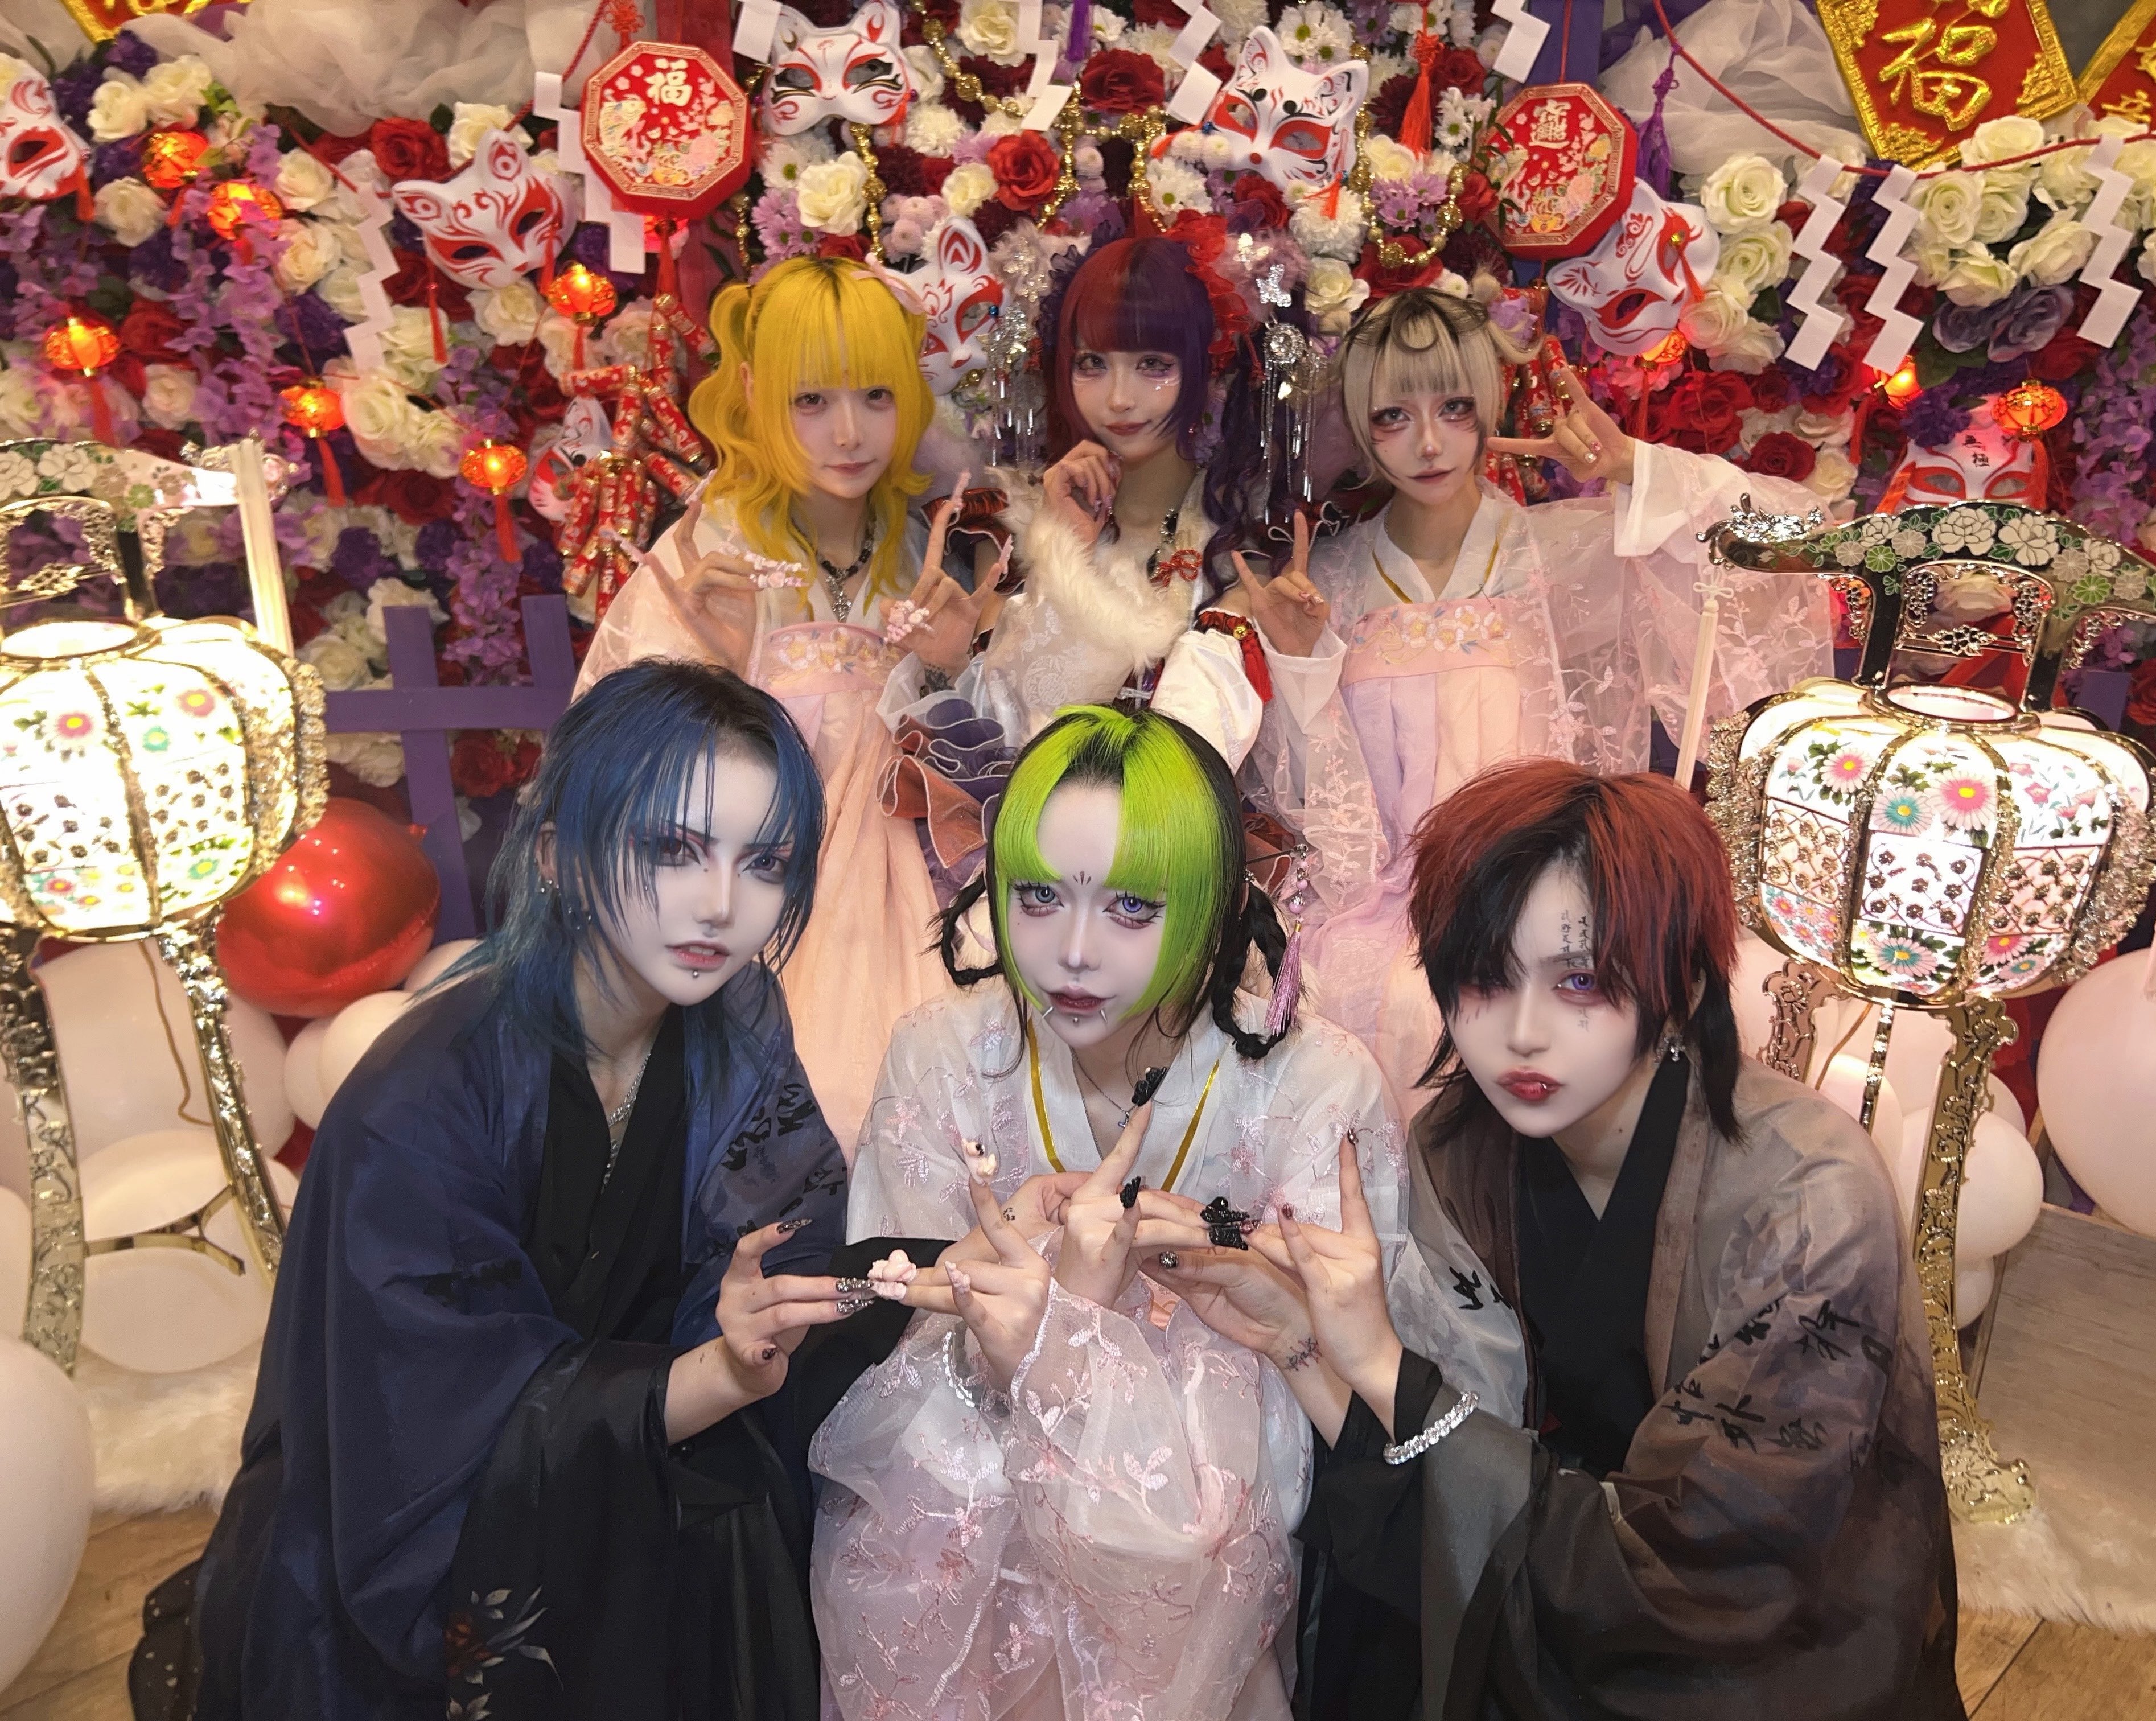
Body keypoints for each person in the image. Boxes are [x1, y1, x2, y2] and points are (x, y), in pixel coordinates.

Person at [150, 661, 882, 1721]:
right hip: (433, 1521)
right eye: (670, 848)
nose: (722, 905)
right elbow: (424, 1412)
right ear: (556, 855)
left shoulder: (739, 1016)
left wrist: (913, 1278)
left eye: (763, 861)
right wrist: (713, 1373)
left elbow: (792, 1224)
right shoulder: (422, 1096)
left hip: (648, 1458)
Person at [1158, 759, 1963, 1720]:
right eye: (1483, 978)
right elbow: (1439, 1448)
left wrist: (1378, 1364)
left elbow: (1714, 1567)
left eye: (1579, 980)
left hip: (1749, 1639)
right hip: (1540, 1596)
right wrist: (1300, 1339)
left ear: (1681, 979)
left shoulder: (1806, 1199)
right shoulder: (1456, 1146)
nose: (1522, 1034)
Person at [807, 704, 1480, 1721]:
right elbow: (887, 1383)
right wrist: (1035, 1328)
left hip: (1221, 1604)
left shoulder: (1314, 1084)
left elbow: (1337, 1420)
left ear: (1218, 907)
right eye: (1038, 895)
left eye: (1131, 906)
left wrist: (1078, 1337)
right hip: (971, 1598)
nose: (1073, 952)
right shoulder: (942, 1055)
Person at [1236, 285, 1834, 1105]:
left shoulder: (1561, 555)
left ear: (1491, 405)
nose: (1429, 443)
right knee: (1351, 998)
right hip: (1375, 905)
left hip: (1550, 889)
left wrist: (1637, 469)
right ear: (1362, 427)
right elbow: (1315, 809)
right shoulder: (1327, 582)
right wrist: (1300, 663)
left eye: (1455, 408)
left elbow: (1792, 539)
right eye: (1393, 417)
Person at [576, 256, 991, 1152]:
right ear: (756, 394)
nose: (848, 432)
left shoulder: (917, 552)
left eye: (876, 397)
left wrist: (955, 674)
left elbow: (975, 766)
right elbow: (613, 765)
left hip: (914, 904)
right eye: (811, 400)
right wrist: (717, 675)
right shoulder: (709, 559)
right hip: (757, 913)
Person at [894, 232, 1302, 770]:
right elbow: (1002, 738)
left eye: (1154, 364)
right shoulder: (1013, 532)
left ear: (1206, 369)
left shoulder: (1245, 539)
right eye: (1092, 363)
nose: (1119, 398)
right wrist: (1061, 552)